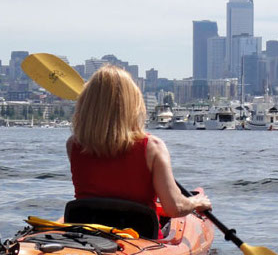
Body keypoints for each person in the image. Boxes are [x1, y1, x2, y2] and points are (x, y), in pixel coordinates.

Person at [66, 65, 211, 234]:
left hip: (86, 233)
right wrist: (197, 202)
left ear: (87, 105)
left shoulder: (73, 145)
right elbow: (174, 208)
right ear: (132, 105)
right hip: (140, 237)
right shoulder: (153, 147)